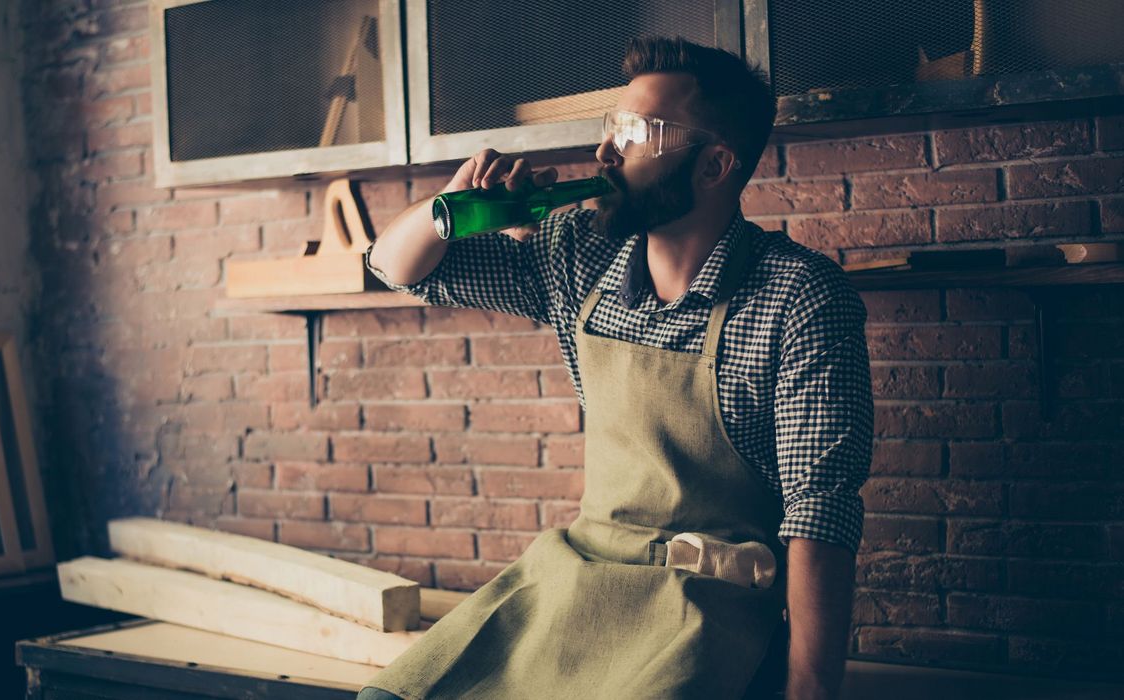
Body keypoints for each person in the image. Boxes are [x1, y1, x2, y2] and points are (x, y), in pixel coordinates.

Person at [358, 36, 872, 700]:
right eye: (611, 126)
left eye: (637, 132)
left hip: (705, 607)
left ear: (715, 165)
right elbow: (398, 269)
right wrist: (448, 208)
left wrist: (809, 692)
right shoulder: (579, 254)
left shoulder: (800, 299)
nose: (606, 151)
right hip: (579, 575)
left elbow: (819, 515)